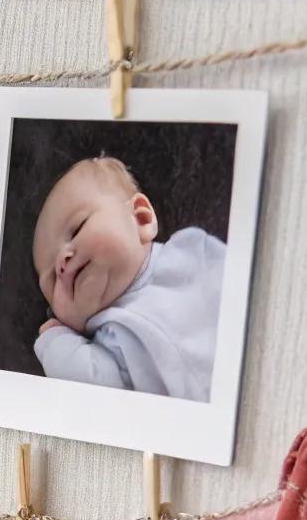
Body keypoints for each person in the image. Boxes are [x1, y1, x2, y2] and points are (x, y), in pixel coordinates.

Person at [30, 155, 225, 402]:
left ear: (141, 219)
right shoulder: (109, 343)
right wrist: (55, 344)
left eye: (78, 228)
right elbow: (96, 395)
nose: (62, 262)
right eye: (51, 281)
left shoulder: (194, 252)